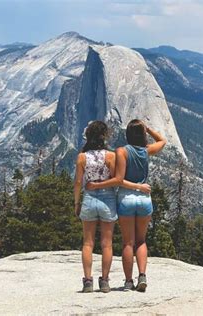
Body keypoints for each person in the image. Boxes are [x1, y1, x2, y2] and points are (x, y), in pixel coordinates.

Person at [86, 119, 166, 292]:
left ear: (127, 134)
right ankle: (142, 275)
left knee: (128, 243)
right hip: (144, 199)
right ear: (142, 134)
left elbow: (119, 180)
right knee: (141, 241)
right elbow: (163, 141)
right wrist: (149, 129)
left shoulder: (121, 151)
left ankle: (129, 281)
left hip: (125, 200)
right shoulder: (146, 151)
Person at [73, 121, 117, 293]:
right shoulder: (111, 156)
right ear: (104, 136)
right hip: (108, 199)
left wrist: (77, 203)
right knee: (107, 244)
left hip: (89, 198)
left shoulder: (82, 157)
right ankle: (105, 281)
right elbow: (115, 179)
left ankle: (88, 281)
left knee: (88, 243)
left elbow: (78, 182)